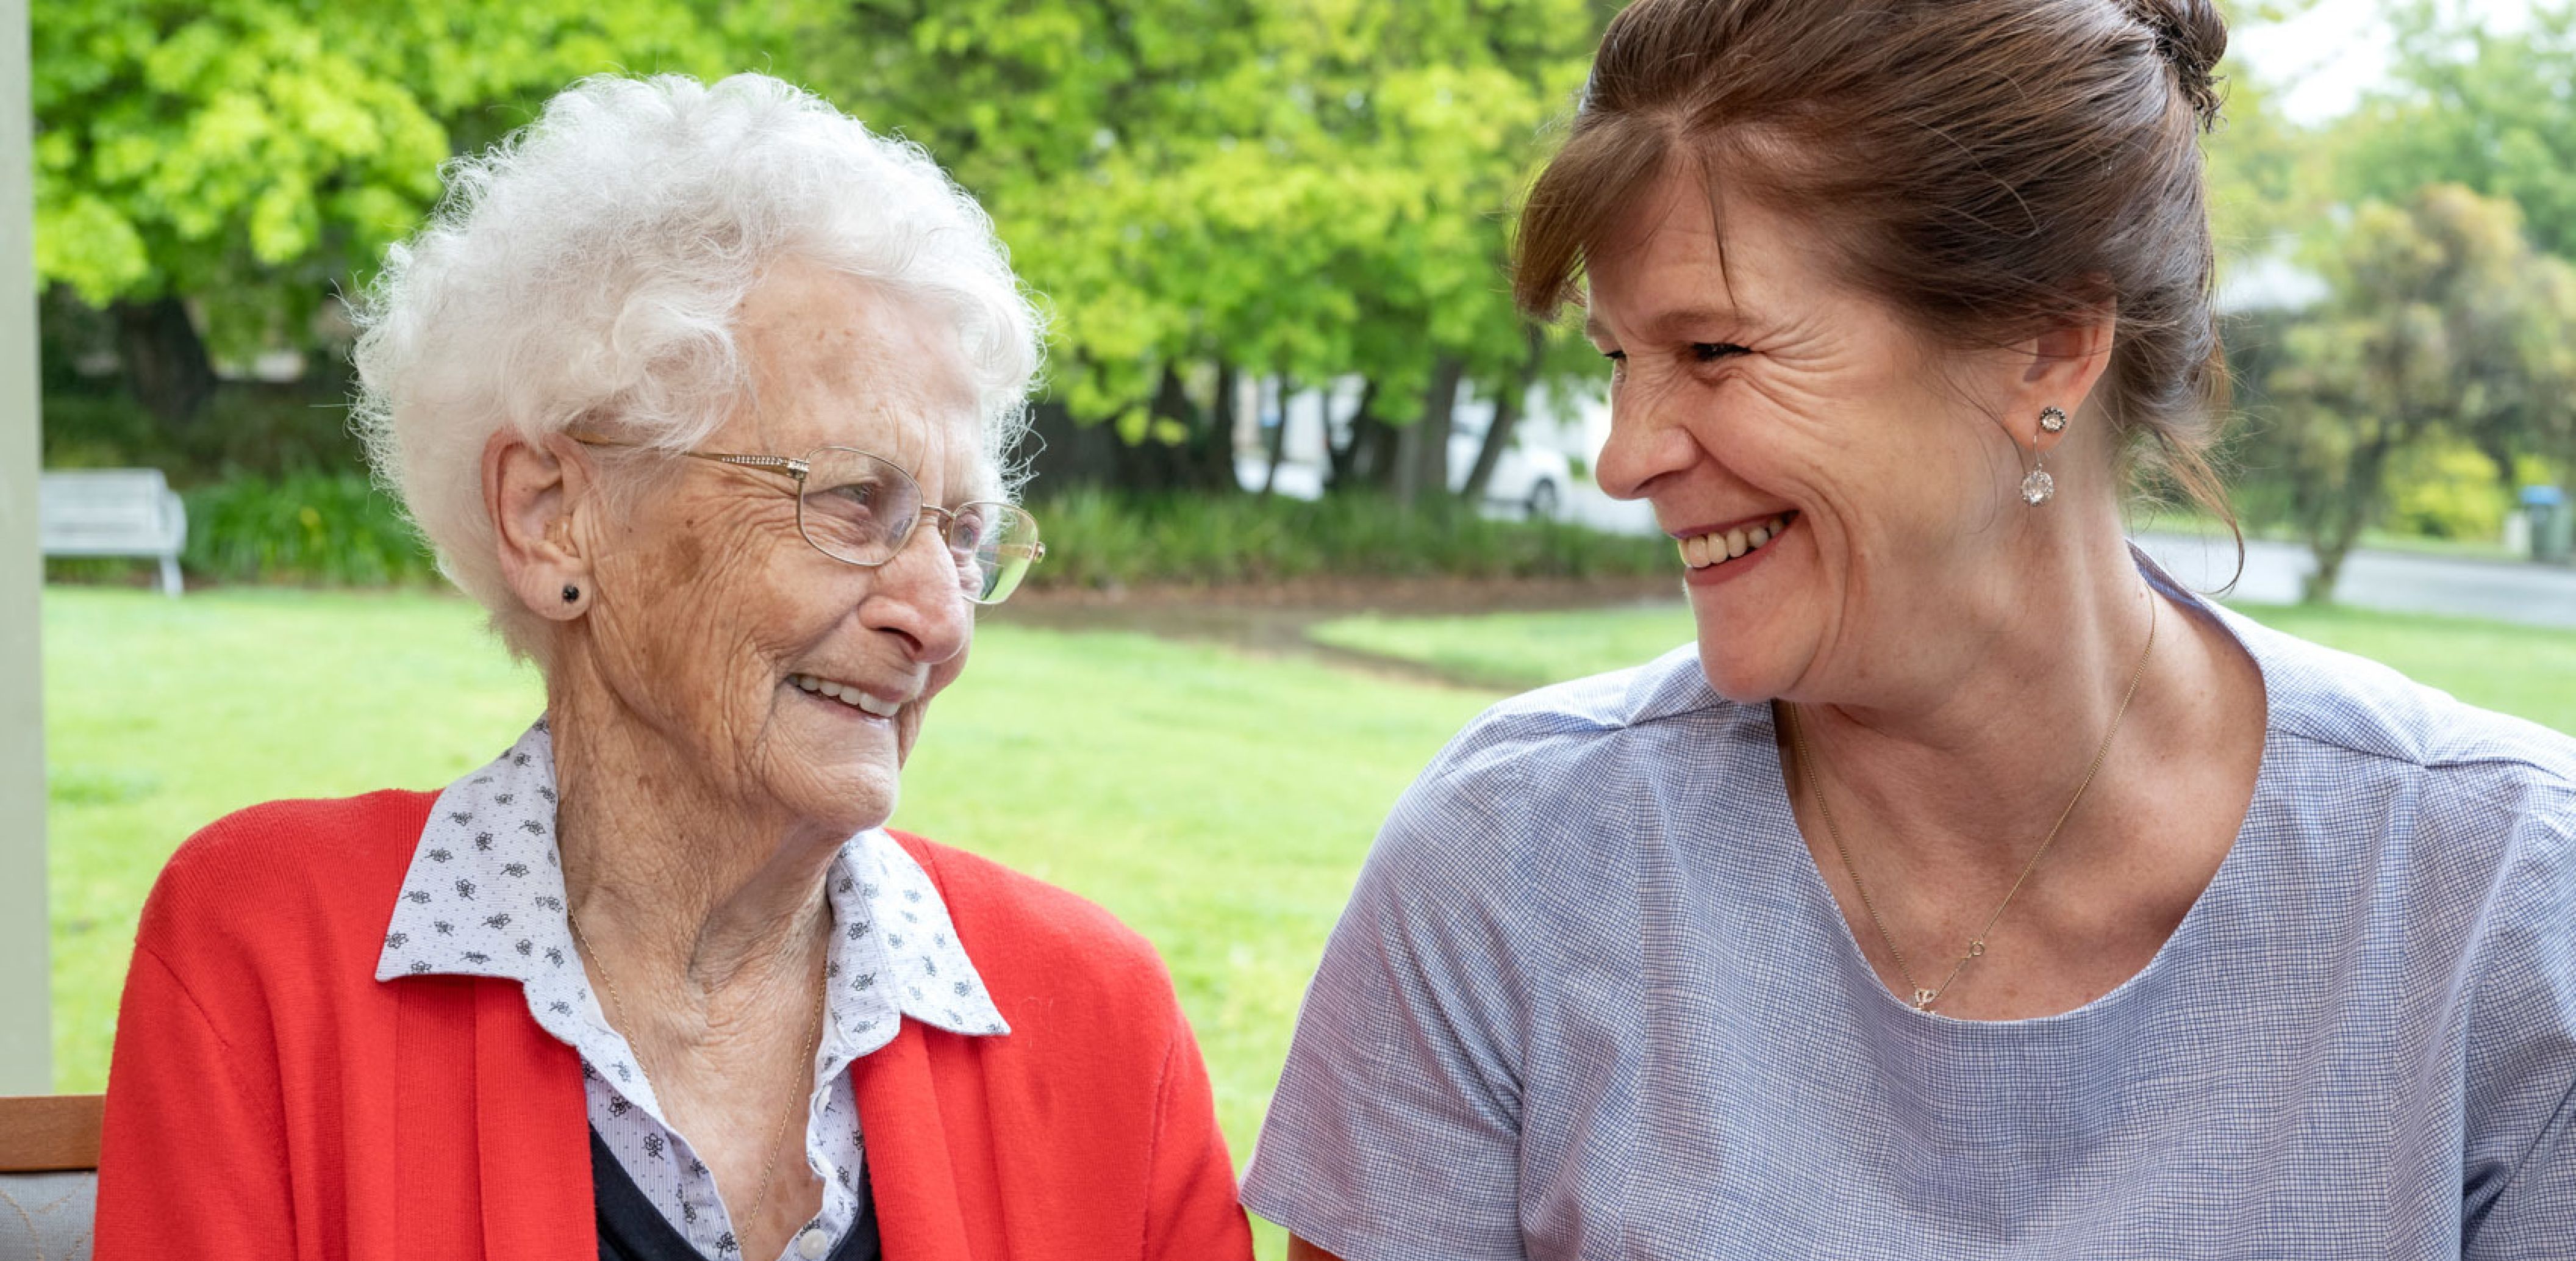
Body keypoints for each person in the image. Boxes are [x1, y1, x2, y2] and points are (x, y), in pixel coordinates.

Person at [1243, 1, 2576, 1257]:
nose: (1627, 453)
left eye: (1714, 352)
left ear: (2047, 345)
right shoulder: (1509, 863)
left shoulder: (2504, 907)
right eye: (1617, 360)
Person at [93, 73, 1251, 1261]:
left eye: (964, 537)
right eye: (855, 501)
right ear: (554, 515)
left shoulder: (1100, 1017)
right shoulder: (274, 953)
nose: (940, 618)